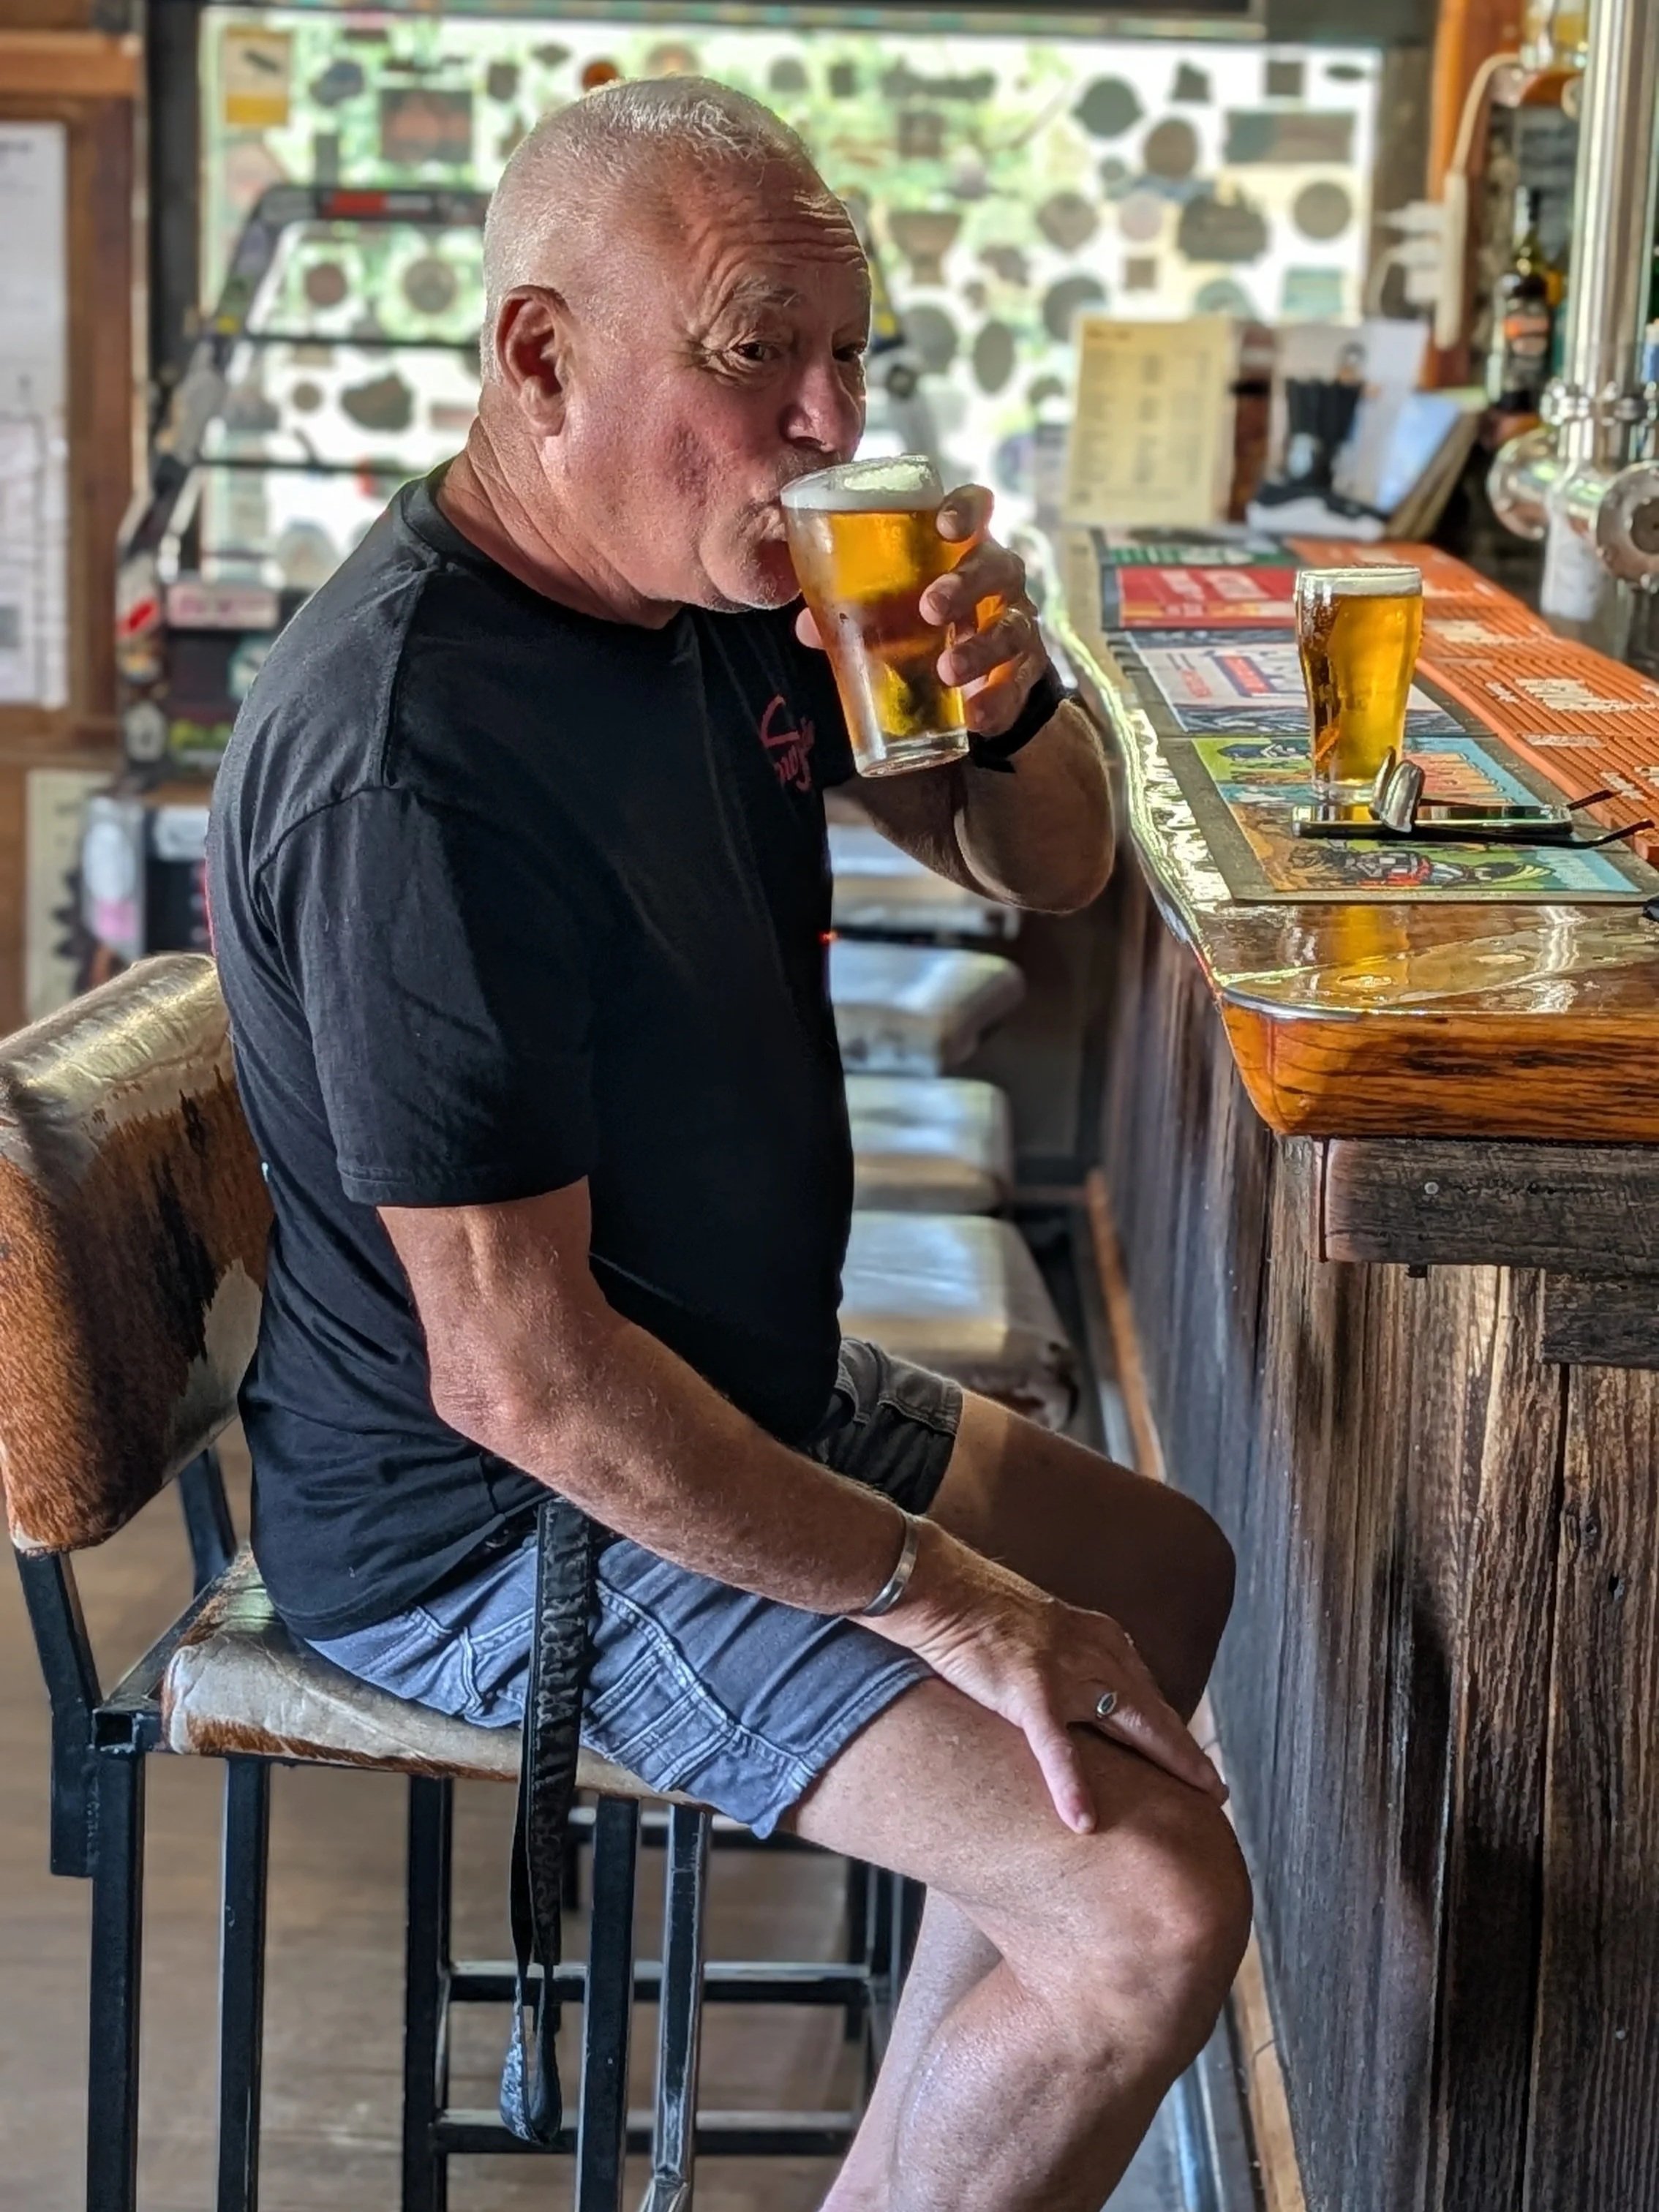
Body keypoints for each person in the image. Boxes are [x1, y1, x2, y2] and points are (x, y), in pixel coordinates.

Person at [207, 77, 1249, 2212]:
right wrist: (951, 1606)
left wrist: (1007, 699)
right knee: (1149, 1905)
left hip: (719, 1383)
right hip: (494, 1512)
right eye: (758, 352)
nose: (829, 421)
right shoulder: (415, 760)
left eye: (851, 353)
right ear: (540, 354)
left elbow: (1048, 869)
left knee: (1158, 1578)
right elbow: (520, 1381)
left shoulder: (709, 594)